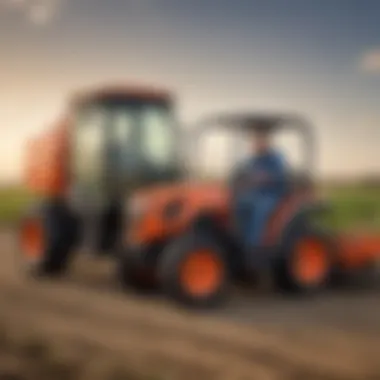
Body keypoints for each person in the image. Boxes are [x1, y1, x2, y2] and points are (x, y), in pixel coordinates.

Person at [232, 126, 288, 252]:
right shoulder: (254, 159)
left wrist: (265, 178)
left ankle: (254, 247)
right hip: (256, 193)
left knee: (259, 209)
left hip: (272, 194)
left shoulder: (276, 159)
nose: (257, 144)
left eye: (260, 141)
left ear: (266, 142)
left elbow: (280, 176)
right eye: (256, 141)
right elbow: (246, 172)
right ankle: (240, 239)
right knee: (239, 204)